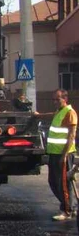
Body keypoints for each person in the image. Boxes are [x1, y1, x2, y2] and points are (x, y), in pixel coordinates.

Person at [35, 89, 78, 221]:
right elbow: (51, 115)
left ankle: (67, 211)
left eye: (57, 99)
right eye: (53, 99)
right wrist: (38, 115)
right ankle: (70, 206)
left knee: (63, 183)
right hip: (54, 153)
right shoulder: (59, 112)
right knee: (53, 182)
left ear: (65, 99)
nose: (54, 102)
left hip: (63, 154)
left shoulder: (70, 113)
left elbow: (71, 135)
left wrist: (65, 155)